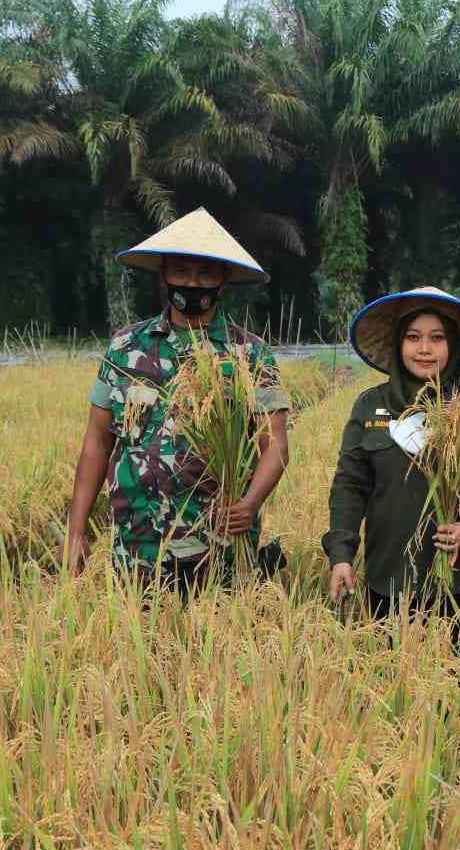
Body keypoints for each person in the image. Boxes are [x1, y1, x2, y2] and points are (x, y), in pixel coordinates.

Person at [63, 208, 290, 593]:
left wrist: (249, 504)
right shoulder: (125, 347)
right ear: (163, 275)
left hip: (221, 546)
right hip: (138, 547)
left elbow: (276, 445)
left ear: (223, 280)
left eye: (205, 273)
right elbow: (97, 443)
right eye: (181, 270)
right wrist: (76, 530)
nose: (192, 282)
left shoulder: (250, 354)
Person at [324, 287, 460, 618]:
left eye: (437, 338)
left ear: (453, 344)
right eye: (413, 337)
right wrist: (342, 553)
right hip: (391, 579)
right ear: (399, 344)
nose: (424, 349)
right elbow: (350, 484)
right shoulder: (372, 405)